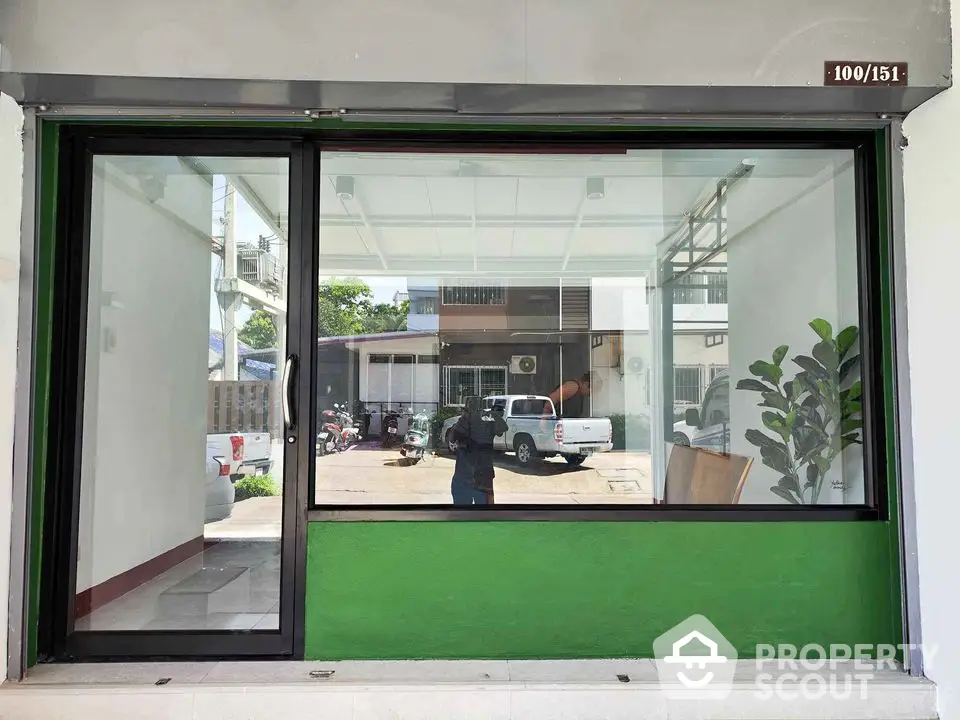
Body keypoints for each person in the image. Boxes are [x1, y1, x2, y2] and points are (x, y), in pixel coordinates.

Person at [450, 397, 508, 505]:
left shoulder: (465, 419)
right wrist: (493, 415)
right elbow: (503, 428)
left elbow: (452, 437)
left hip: (465, 474)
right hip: (484, 474)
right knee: (485, 515)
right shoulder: (489, 420)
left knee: (461, 514)